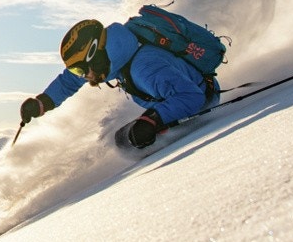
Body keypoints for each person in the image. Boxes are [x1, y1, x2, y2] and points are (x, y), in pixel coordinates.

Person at [19, 17, 220, 149]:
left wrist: (153, 120)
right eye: (76, 70)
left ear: (95, 57)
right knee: (123, 140)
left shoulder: (144, 69)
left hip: (198, 103)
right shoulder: (118, 55)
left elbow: (191, 96)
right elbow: (69, 81)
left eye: (80, 69)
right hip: (177, 100)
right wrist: (43, 102)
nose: (82, 76)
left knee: (128, 142)